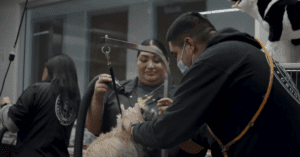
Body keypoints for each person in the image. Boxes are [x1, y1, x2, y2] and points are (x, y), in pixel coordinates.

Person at [122, 12, 300, 157]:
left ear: (189, 45)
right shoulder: (242, 53)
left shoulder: (213, 60)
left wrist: (133, 127)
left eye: (176, 54)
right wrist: (184, 115)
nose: (178, 61)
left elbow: (165, 132)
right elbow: (210, 132)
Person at [85, 39, 203, 156]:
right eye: (144, 60)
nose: (150, 66)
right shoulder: (116, 90)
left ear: (166, 62)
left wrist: (175, 121)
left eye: (157, 60)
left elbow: (197, 145)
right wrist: (97, 98)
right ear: (137, 62)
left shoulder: (181, 96)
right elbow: (94, 129)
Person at [0, 54, 81, 157]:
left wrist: (5, 105)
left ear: (48, 70)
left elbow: (11, 124)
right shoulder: (75, 99)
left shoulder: (37, 90)